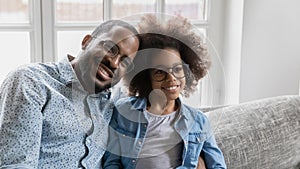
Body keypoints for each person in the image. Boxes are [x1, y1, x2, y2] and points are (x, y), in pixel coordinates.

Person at [0, 20, 139, 168]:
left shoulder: (113, 103)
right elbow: (16, 165)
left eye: (125, 63)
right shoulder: (31, 81)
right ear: (86, 42)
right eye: (111, 49)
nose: (115, 63)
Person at [102, 15, 226, 168]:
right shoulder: (123, 111)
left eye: (177, 69)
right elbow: (112, 162)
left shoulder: (198, 122)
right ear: (146, 77)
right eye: (160, 72)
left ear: (187, 71)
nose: (171, 78)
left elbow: (218, 166)